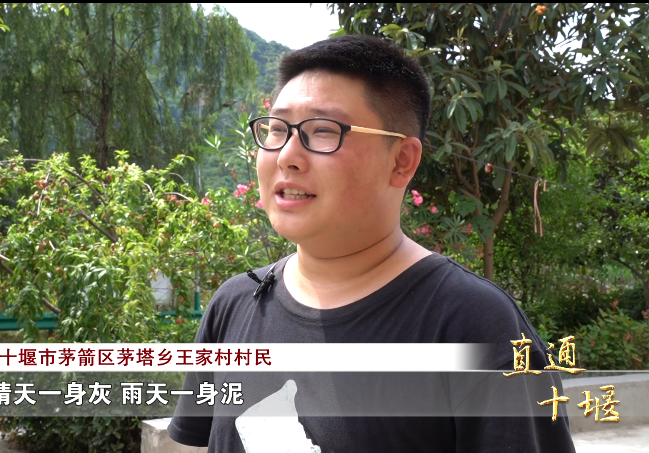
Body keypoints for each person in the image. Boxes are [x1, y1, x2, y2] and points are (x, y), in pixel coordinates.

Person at [168, 34, 576, 452]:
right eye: (276, 129)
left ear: (402, 161)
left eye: (322, 131)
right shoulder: (235, 304)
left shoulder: (475, 326)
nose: (287, 155)